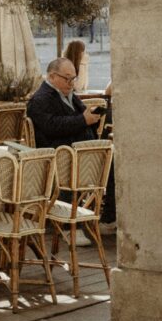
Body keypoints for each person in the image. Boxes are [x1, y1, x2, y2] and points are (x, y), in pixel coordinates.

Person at [27, 57, 116, 232]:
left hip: (78, 151)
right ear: (52, 77)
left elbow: (78, 118)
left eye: (73, 78)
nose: (71, 83)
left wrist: (92, 118)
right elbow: (52, 126)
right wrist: (83, 120)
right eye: (67, 78)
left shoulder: (68, 95)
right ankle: (75, 224)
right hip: (61, 155)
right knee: (110, 164)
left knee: (114, 161)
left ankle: (107, 218)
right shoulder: (40, 99)